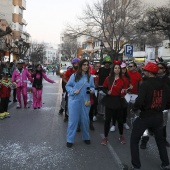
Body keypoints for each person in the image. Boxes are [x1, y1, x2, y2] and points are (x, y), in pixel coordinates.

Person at [130, 62, 170, 170]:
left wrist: (134, 109)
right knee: (160, 140)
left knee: (134, 140)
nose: (143, 72)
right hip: (158, 117)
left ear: (149, 72)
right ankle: (165, 164)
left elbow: (139, 101)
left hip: (145, 116)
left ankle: (136, 166)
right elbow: (168, 101)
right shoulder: (164, 85)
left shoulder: (145, 84)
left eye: (145, 71)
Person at [140, 58, 170, 149]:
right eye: (157, 68)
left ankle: (163, 140)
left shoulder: (168, 80)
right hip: (151, 106)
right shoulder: (151, 78)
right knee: (146, 125)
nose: (159, 69)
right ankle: (144, 141)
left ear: (164, 69)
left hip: (164, 106)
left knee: (163, 125)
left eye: (160, 68)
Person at [65, 59, 95, 148]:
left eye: (87, 65)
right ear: (81, 66)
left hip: (85, 101)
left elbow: (93, 87)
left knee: (85, 120)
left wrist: (91, 90)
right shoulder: (74, 76)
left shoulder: (90, 77)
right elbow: (68, 86)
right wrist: (73, 91)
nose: (86, 66)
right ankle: (70, 139)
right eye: (84, 65)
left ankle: (86, 137)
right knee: (73, 121)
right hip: (74, 101)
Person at [101, 60, 126, 145]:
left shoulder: (123, 79)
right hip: (110, 100)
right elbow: (104, 88)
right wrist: (107, 92)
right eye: (115, 68)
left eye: (118, 68)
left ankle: (121, 135)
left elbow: (125, 90)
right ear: (113, 69)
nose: (117, 69)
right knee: (107, 120)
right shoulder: (108, 78)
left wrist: (124, 92)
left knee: (120, 120)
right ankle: (105, 137)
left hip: (119, 100)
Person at [61, 57, 80, 122]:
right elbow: (63, 78)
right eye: (75, 64)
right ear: (73, 64)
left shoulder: (80, 71)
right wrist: (68, 83)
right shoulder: (70, 71)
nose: (76, 65)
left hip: (77, 89)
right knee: (67, 102)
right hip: (70, 89)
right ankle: (66, 116)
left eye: (77, 64)